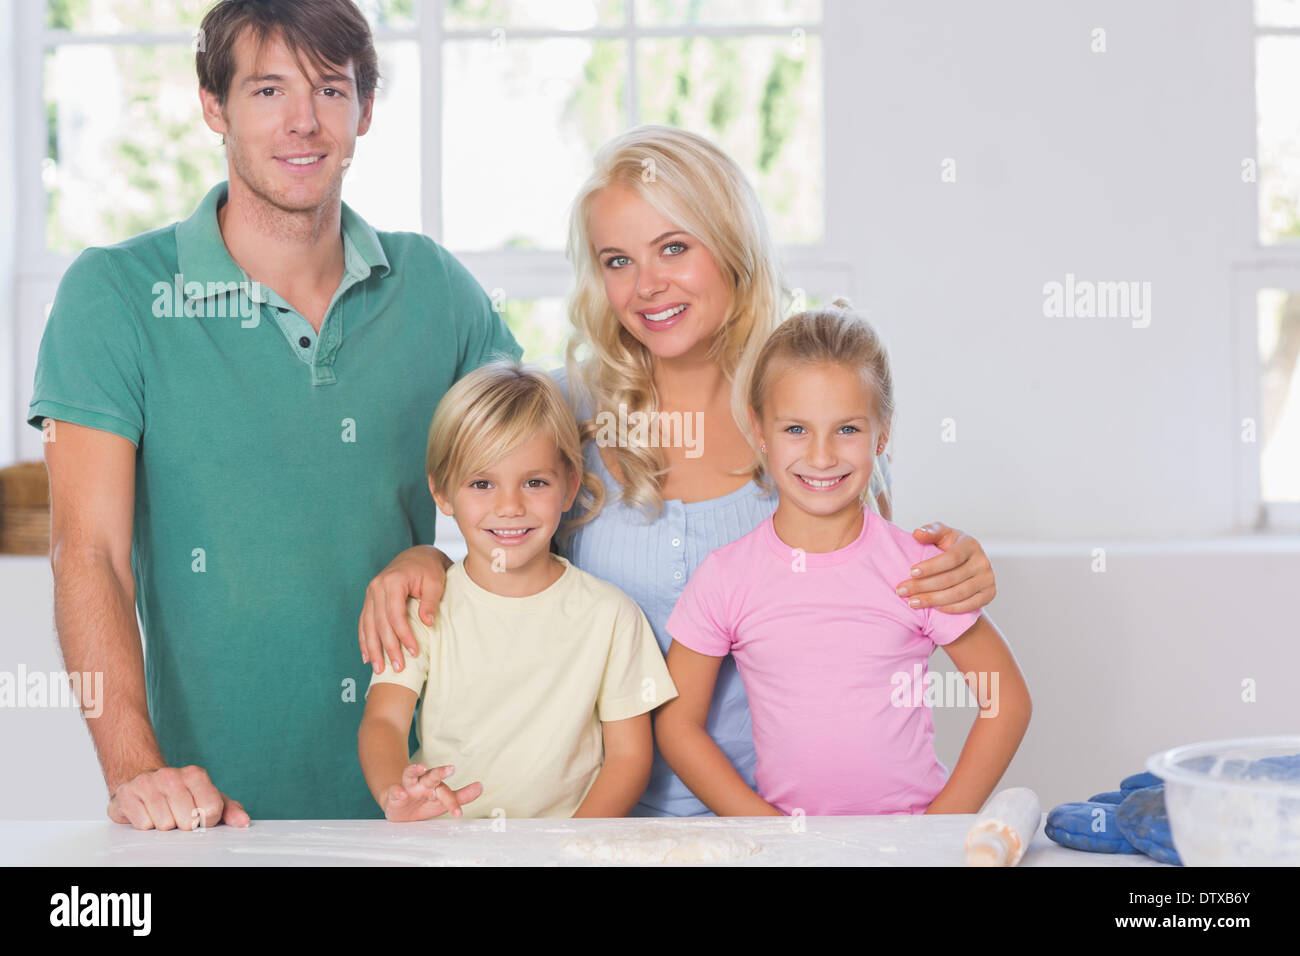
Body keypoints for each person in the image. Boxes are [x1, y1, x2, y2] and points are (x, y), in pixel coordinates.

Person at [358, 125, 1000, 817]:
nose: (646, 286)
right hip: (592, 818)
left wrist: (959, 569)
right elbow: (495, 530)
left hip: (773, 820)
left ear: (730, 245)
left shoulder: (809, 417)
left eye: (673, 248)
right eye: (617, 260)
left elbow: (872, 595)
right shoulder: (562, 412)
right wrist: (424, 556)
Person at [28, 0, 520, 827]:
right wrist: (137, 773)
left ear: (365, 110)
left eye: (331, 90)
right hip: (213, 817)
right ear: (213, 105)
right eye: (267, 91)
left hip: (434, 803)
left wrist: (449, 561)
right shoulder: (113, 295)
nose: (304, 122)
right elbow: (91, 553)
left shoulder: (434, 286)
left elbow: (536, 480)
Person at [655, 303, 1031, 815]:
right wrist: (769, 834)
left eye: (848, 429)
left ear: (884, 431)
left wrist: (938, 832)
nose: (822, 455)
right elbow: (677, 725)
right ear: (759, 429)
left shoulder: (918, 568)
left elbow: (1006, 700)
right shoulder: (726, 577)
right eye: (796, 430)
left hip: (907, 849)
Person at [359, 361, 676, 820]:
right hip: (446, 846)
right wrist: (396, 791)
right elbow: (383, 721)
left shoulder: (610, 615)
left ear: (569, 488)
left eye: (535, 482)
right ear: (443, 493)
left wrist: (567, 849)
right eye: (482, 483)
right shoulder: (424, 607)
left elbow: (628, 759)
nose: (510, 506)